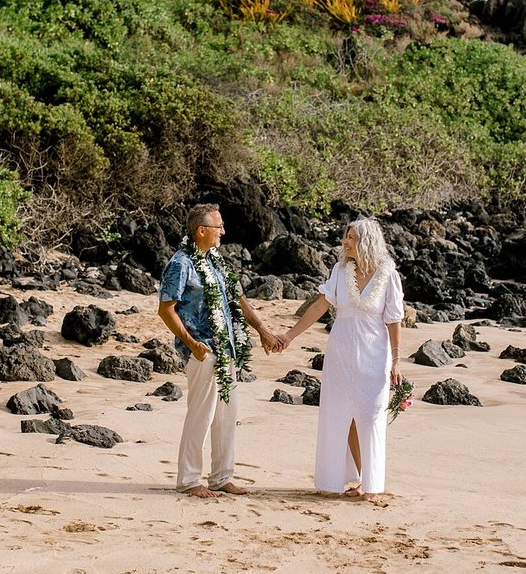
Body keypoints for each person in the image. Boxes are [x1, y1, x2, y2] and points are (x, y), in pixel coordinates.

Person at [158, 203, 283, 498]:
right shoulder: (180, 264)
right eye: (218, 227)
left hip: (226, 348)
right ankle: (189, 480)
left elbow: (237, 300)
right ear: (201, 231)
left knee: (227, 415)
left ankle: (221, 476)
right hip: (202, 350)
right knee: (200, 416)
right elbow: (166, 309)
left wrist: (263, 331)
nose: (223, 232)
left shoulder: (217, 262)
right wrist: (191, 343)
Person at [281, 218, 404, 500]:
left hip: (374, 355)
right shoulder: (340, 271)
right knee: (342, 417)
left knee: (370, 417)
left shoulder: (388, 275)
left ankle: (372, 485)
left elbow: (394, 320)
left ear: (367, 241)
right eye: (346, 237)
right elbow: (320, 306)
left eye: (351, 238)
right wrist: (290, 335)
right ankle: (351, 479)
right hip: (340, 354)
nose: (345, 242)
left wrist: (396, 361)